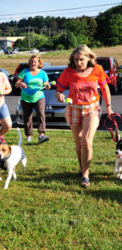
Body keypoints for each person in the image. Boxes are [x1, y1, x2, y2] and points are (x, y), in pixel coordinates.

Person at [55, 44, 114, 188]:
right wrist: (60, 95)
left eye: (81, 59)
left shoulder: (97, 70)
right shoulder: (68, 72)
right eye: (76, 60)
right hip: (73, 109)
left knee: (87, 141)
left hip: (92, 108)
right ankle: (81, 168)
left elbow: (105, 88)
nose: (79, 63)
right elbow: (59, 90)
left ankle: (85, 175)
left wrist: (109, 107)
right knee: (79, 144)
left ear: (89, 58)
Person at [15, 54, 50, 143]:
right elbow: (16, 84)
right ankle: (29, 135)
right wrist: (20, 84)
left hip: (39, 96)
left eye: (35, 61)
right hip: (26, 97)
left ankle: (41, 135)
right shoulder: (24, 72)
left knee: (41, 114)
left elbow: (47, 84)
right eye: (31, 61)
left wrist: (47, 85)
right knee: (27, 117)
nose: (32, 63)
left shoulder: (43, 73)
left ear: (39, 63)